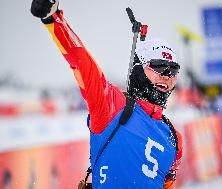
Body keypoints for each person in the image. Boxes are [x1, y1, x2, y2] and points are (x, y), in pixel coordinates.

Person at [30, 0, 182, 188]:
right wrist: (53, 19)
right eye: (159, 67)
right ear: (139, 69)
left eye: (173, 70)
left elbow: (167, 185)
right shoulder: (112, 106)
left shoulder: (174, 138)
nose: (167, 76)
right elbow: (83, 63)